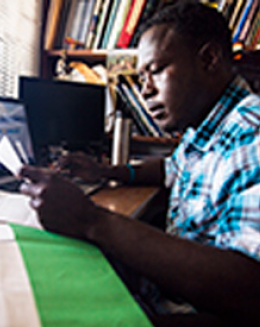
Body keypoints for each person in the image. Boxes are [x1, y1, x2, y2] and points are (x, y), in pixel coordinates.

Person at [20, 2, 260, 326]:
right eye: (141, 76)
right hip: (167, 289)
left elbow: (250, 289)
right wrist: (105, 171)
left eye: (156, 70)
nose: (145, 90)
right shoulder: (206, 128)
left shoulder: (252, 134)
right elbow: (171, 168)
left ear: (208, 59)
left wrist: (92, 220)